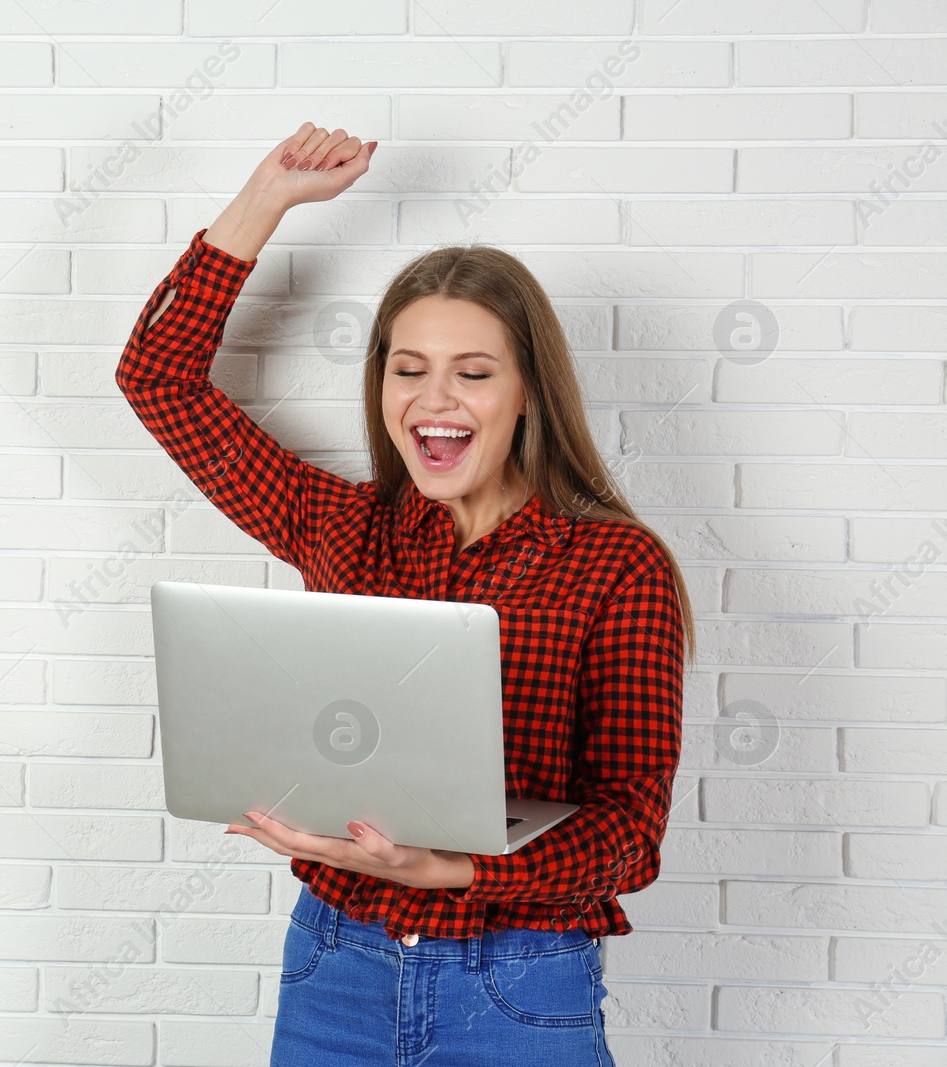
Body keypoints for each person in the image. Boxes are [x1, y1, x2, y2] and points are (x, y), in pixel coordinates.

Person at [114, 123, 695, 1066]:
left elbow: (631, 835)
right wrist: (264, 201)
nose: (435, 401)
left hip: (517, 979)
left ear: (527, 396)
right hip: (335, 966)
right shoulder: (341, 524)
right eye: (407, 369)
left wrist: (454, 869)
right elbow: (158, 378)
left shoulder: (615, 567)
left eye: (473, 374)